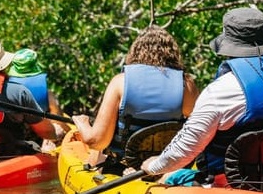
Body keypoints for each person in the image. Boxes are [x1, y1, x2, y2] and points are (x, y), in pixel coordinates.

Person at [139, 7, 263, 183]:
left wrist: (153, 166)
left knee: (170, 175)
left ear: (229, 46)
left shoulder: (219, 92)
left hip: (231, 188)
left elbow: (184, 152)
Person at [72, 25, 199, 159]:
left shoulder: (120, 82)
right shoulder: (186, 85)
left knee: (95, 153)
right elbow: (199, 131)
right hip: (167, 164)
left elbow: (96, 141)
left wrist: (82, 122)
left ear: (135, 51)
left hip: (124, 164)